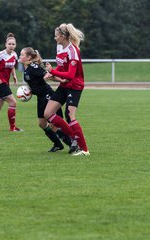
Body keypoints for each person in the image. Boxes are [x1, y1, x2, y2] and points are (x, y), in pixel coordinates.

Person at [44, 23, 89, 156]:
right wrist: (52, 73)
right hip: (64, 85)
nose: (55, 38)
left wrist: (53, 71)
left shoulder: (73, 50)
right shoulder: (59, 47)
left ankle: (85, 150)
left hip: (75, 85)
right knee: (48, 113)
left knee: (70, 115)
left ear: (63, 36)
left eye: (56, 36)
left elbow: (70, 75)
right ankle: (73, 136)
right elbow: (61, 67)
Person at [19, 47, 72, 152]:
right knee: (42, 124)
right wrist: (29, 91)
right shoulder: (26, 67)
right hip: (40, 97)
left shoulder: (34, 67)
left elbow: (48, 75)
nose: (20, 56)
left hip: (47, 96)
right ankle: (57, 144)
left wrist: (60, 80)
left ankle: (72, 144)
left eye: (22, 54)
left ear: (29, 57)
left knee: (53, 125)